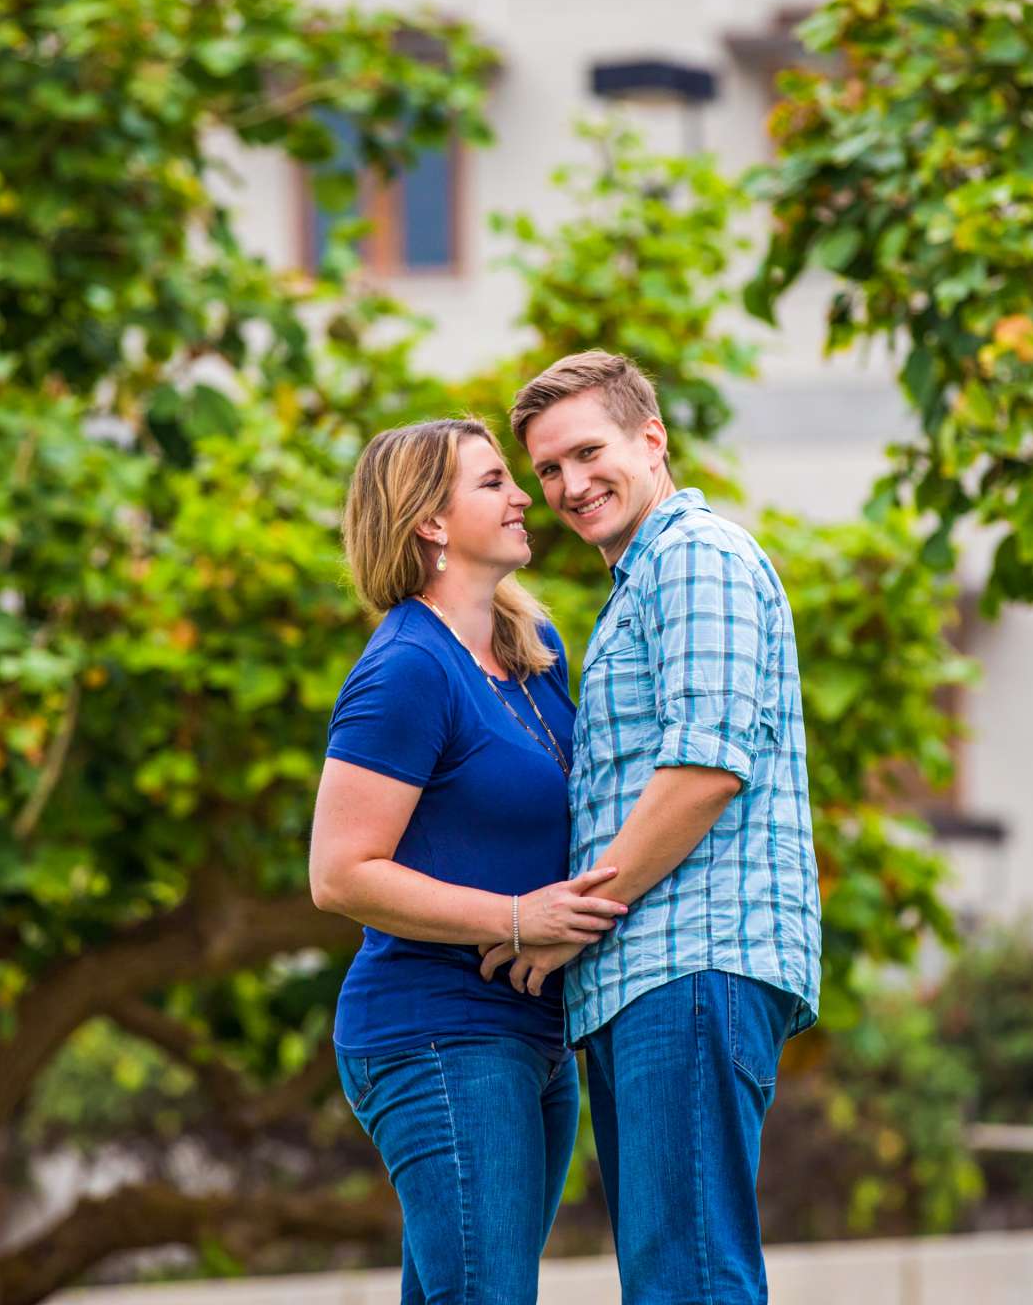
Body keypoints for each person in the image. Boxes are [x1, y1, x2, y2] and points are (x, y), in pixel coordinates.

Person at [485, 351, 822, 1305]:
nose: (569, 484)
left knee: (690, 1280)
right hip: (651, 975)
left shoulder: (694, 555)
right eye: (547, 470)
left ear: (652, 439)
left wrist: (567, 924)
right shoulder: (642, 581)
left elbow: (706, 767)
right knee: (672, 1275)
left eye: (588, 452)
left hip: (692, 961)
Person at [309, 416, 626, 1305]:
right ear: (430, 524)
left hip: (534, 1037)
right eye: (494, 482)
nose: (526, 494)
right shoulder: (407, 670)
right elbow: (339, 873)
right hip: (438, 1033)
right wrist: (517, 919)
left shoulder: (535, 653)